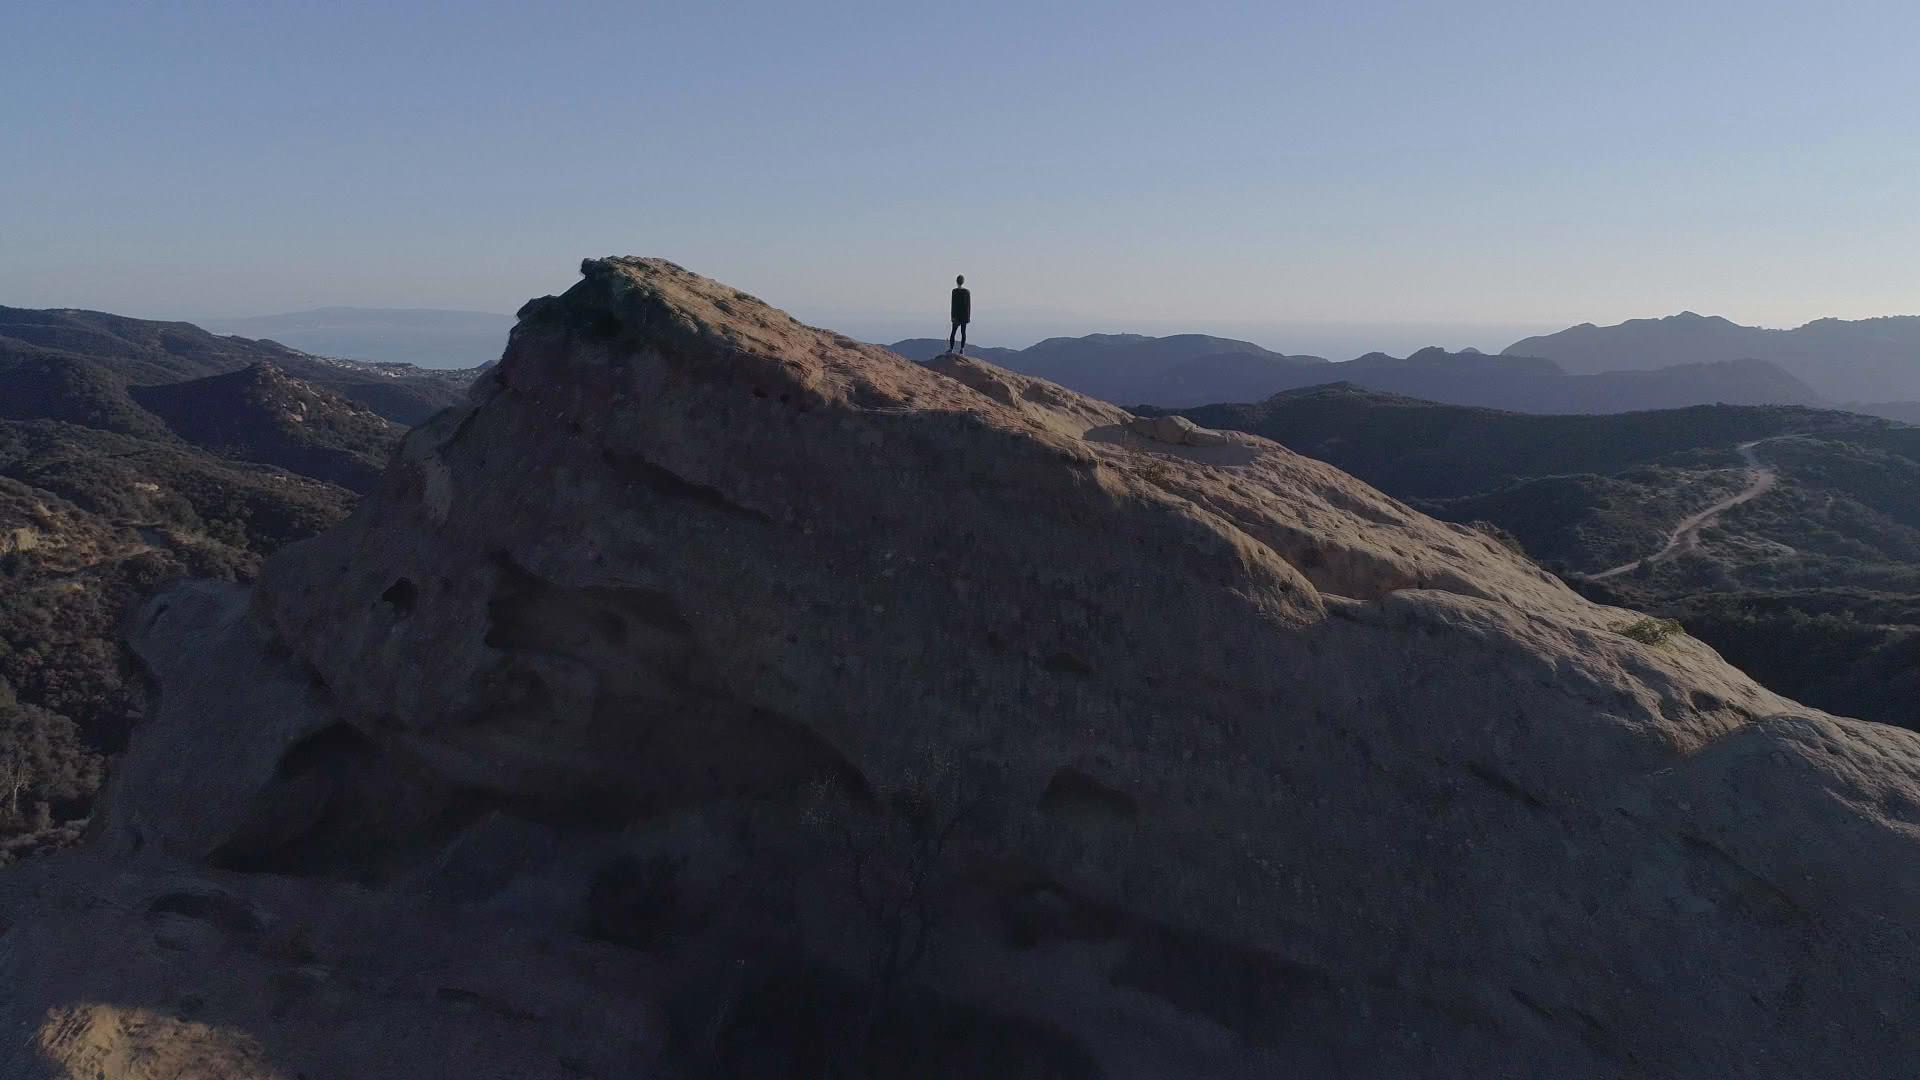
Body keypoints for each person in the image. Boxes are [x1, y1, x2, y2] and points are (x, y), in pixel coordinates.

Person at [948, 274, 971, 353]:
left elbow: (953, 305)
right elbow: (968, 306)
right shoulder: (967, 292)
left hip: (956, 316)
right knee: (963, 333)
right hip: (964, 316)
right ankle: (962, 349)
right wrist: (968, 318)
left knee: (953, 333)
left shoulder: (954, 291)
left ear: (956, 281)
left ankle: (951, 349)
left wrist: (952, 317)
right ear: (963, 281)